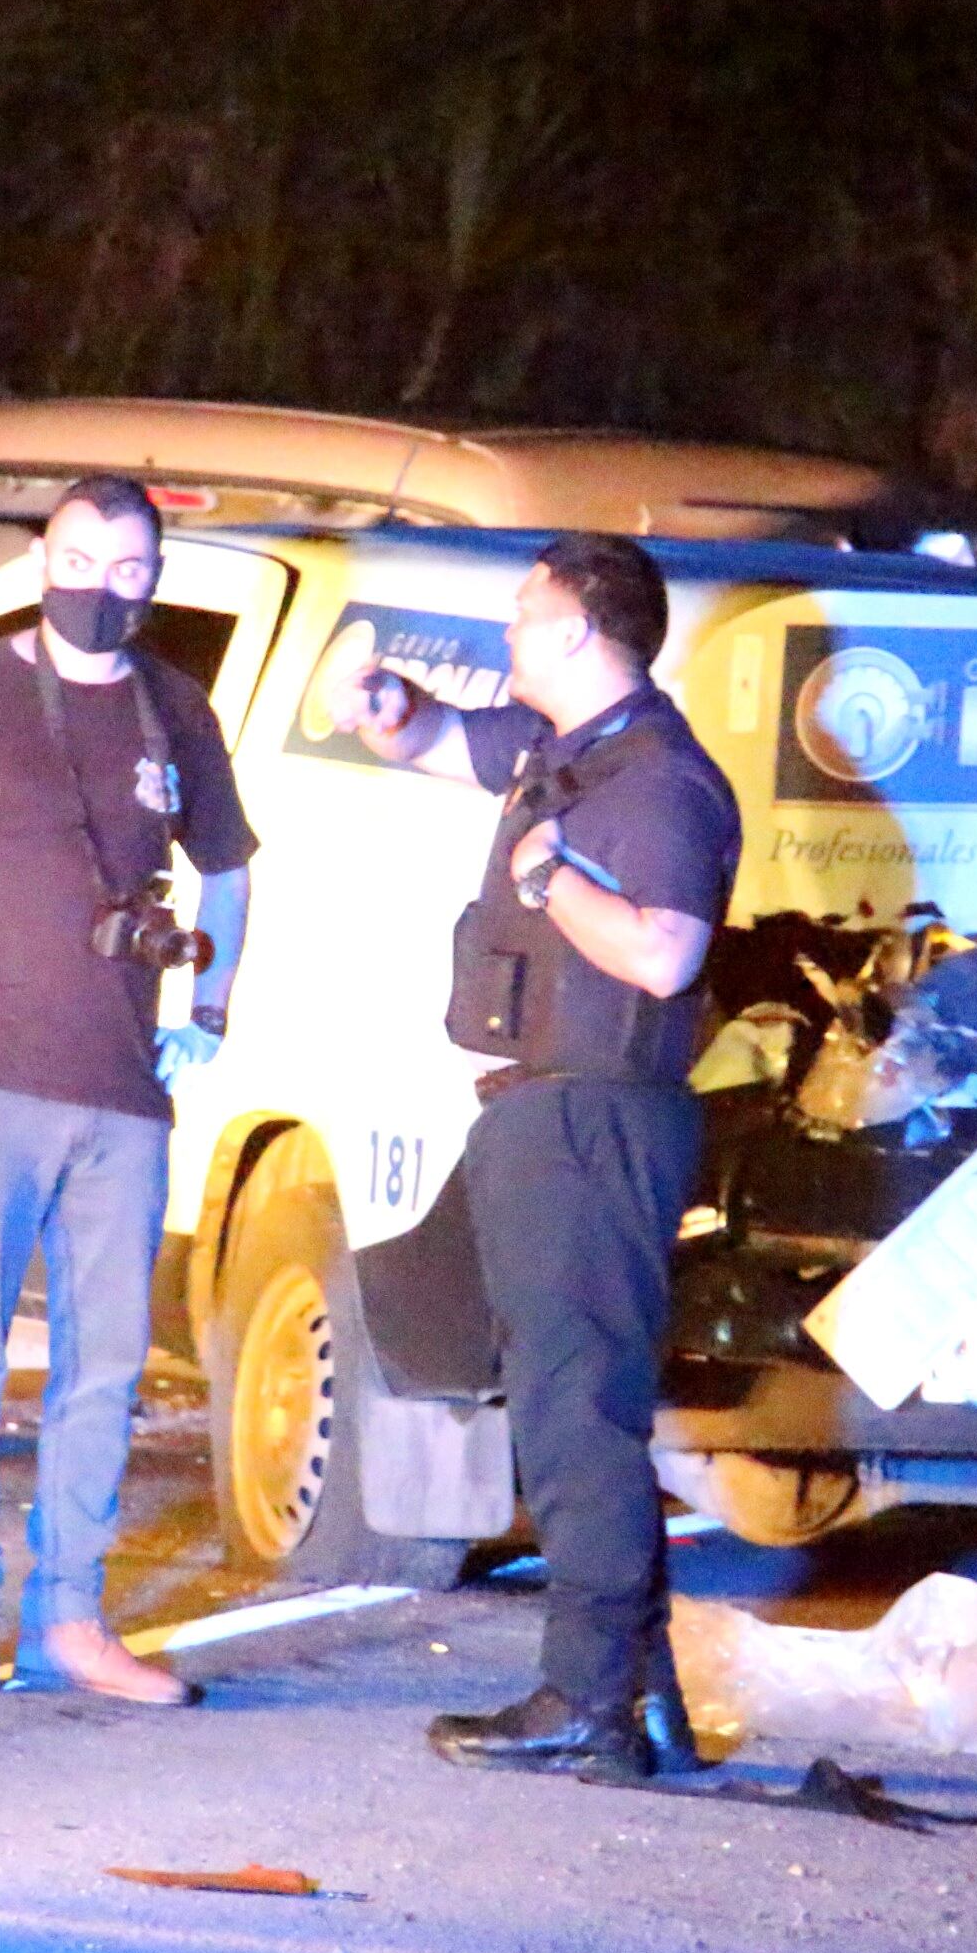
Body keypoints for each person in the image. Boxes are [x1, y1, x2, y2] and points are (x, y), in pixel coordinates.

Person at [0, 475, 256, 1704]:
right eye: (79, 559)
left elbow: (231, 869)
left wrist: (208, 1007)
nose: (102, 586)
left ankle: (74, 1613)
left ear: (154, 576)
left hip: (122, 1095)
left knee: (108, 1364)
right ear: (45, 555)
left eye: (129, 568)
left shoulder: (171, 709)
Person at [350, 531, 739, 1780]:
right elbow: (424, 741)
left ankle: (585, 1697)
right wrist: (385, 708)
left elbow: (665, 954)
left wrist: (552, 878)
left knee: (579, 1411)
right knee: (532, 1372)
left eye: (525, 613)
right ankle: (641, 1691)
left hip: (595, 1117)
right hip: (537, 1112)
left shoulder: (662, 783)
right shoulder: (557, 755)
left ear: (579, 631)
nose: (507, 633)